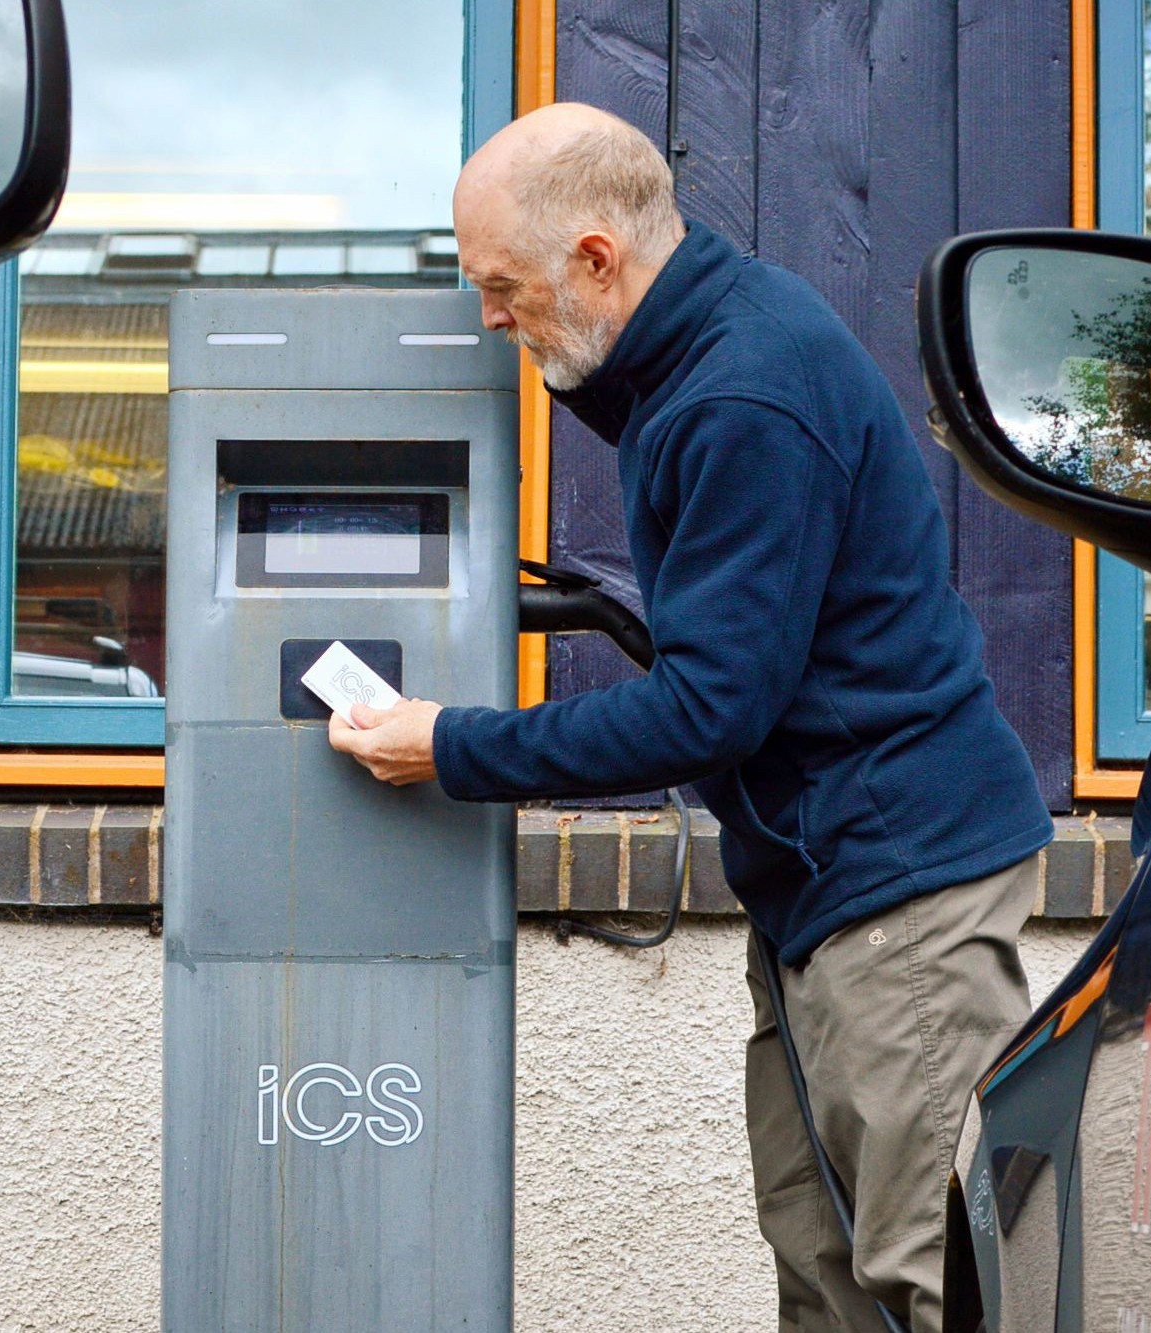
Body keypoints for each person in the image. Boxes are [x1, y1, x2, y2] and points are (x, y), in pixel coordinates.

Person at [327, 102, 1053, 1332]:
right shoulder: (698, 357)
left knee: (941, 1287)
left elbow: (710, 706)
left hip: (897, 902)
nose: (489, 318)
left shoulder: (739, 397)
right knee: (825, 1276)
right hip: (830, 898)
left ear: (597, 259)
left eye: (502, 288)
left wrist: (449, 744)